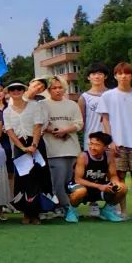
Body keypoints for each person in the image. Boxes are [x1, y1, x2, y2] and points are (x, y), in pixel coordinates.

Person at [97, 62, 132, 221]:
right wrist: (110, 141)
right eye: (120, 73)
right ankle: (122, 211)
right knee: (119, 176)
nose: (123, 76)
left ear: (131, 76)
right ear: (115, 76)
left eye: (127, 73)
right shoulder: (107, 96)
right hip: (118, 143)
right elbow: (105, 120)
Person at [3, 81, 51, 225]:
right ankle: (26, 212)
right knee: (23, 179)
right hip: (19, 146)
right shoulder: (7, 111)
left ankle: (36, 213)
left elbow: (38, 126)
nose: (16, 91)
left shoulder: (34, 106)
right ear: (9, 93)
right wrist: (22, 148)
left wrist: (34, 145)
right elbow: (10, 131)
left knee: (38, 176)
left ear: (23, 90)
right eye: (12, 89)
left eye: (19, 89)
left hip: (36, 143)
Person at [41, 77, 83, 222]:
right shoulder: (43, 105)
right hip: (53, 150)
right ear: (49, 90)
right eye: (54, 88)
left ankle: (69, 206)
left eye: (60, 87)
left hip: (71, 148)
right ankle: (65, 208)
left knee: (69, 181)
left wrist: (65, 130)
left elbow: (79, 124)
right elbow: (40, 124)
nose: (58, 90)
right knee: (57, 182)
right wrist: (53, 131)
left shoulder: (72, 104)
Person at [69, 132, 126, 222]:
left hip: (100, 187)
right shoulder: (83, 156)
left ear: (105, 147)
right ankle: (72, 211)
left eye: (97, 145)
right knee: (80, 191)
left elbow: (113, 175)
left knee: (122, 188)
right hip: (81, 186)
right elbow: (78, 179)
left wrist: (115, 183)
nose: (92, 147)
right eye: (91, 144)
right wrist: (99, 186)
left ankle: (107, 210)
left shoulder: (109, 156)